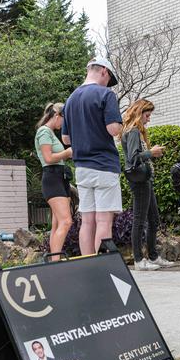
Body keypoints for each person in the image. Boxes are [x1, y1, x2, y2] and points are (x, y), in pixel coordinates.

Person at [61, 57, 123, 255]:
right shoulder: (106, 94)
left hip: (82, 168)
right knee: (104, 220)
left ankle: (87, 262)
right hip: (104, 165)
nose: (108, 84)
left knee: (87, 221)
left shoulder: (70, 99)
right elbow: (113, 129)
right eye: (109, 78)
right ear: (104, 71)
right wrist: (120, 123)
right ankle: (101, 266)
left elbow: (66, 139)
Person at [120, 99, 174, 270]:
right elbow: (133, 158)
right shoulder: (134, 131)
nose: (149, 119)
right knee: (140, 220)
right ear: (139, 113)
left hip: (143, 180)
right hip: (140, 180)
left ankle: (152, 256)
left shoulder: (131, 131)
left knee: (153, 219)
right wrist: (152, 152)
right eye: (147, 115)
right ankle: (139, 260)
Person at [34, 102, 73, 259]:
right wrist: (68, 152)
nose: (65, 124)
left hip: (61, 177)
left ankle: (54, 259)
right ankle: (56, 261)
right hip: (52, 177)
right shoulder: (44, 131)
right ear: (57, 115)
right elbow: (48, 158)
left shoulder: (50, 133)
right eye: (65, 119)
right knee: (66, 221)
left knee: (57, 223)